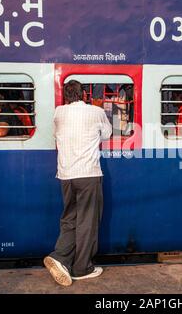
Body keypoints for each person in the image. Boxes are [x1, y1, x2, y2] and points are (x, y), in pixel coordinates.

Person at [44, 80, 112, 287]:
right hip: (88, 174)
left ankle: (60, 257)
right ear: (83, 94)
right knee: (88, 221)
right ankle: (82, 268)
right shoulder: (96, 112)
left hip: (65, 175)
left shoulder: (58, 112)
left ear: (65, 96)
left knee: (70, 218)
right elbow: (107, 134)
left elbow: (56, 134)